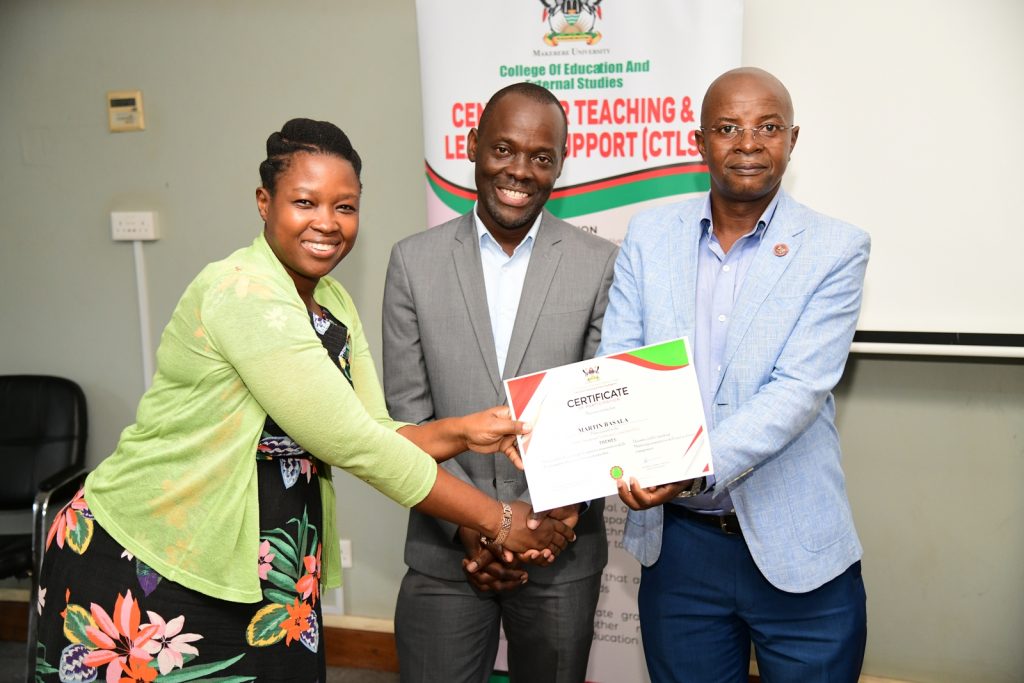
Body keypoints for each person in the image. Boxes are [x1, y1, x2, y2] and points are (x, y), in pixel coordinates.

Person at [34, 118, 572, 682]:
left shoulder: (332, 300)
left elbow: (373, 428)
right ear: (264, 202)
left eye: (345, 207)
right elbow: (355, 445)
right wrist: (499, 518)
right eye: (305, 202)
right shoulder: (243, 291)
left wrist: (465, 431)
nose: (327, 224)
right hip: (154, 556)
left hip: (271, 565)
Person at [600, 68, 870, 682]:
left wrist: (682, 467)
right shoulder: (649, 236)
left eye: (768, 127)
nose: (748, 143)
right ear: (700, 142)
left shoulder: (836, 247)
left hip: (798, 547)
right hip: (680, 553)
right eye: (728, 128)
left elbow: (797, 392)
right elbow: (621, 363)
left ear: (792, 139)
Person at [383, 82, 618, 683]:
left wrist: (543, 525)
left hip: (557, 546)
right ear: (472, 147)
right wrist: (478, 526)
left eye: (542, 157)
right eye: (503, 149)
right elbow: (407, 416)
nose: (520, 170)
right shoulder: (413, 261)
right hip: (445, 549)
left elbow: (603, 411)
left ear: (560, 165)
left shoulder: (602, 264)